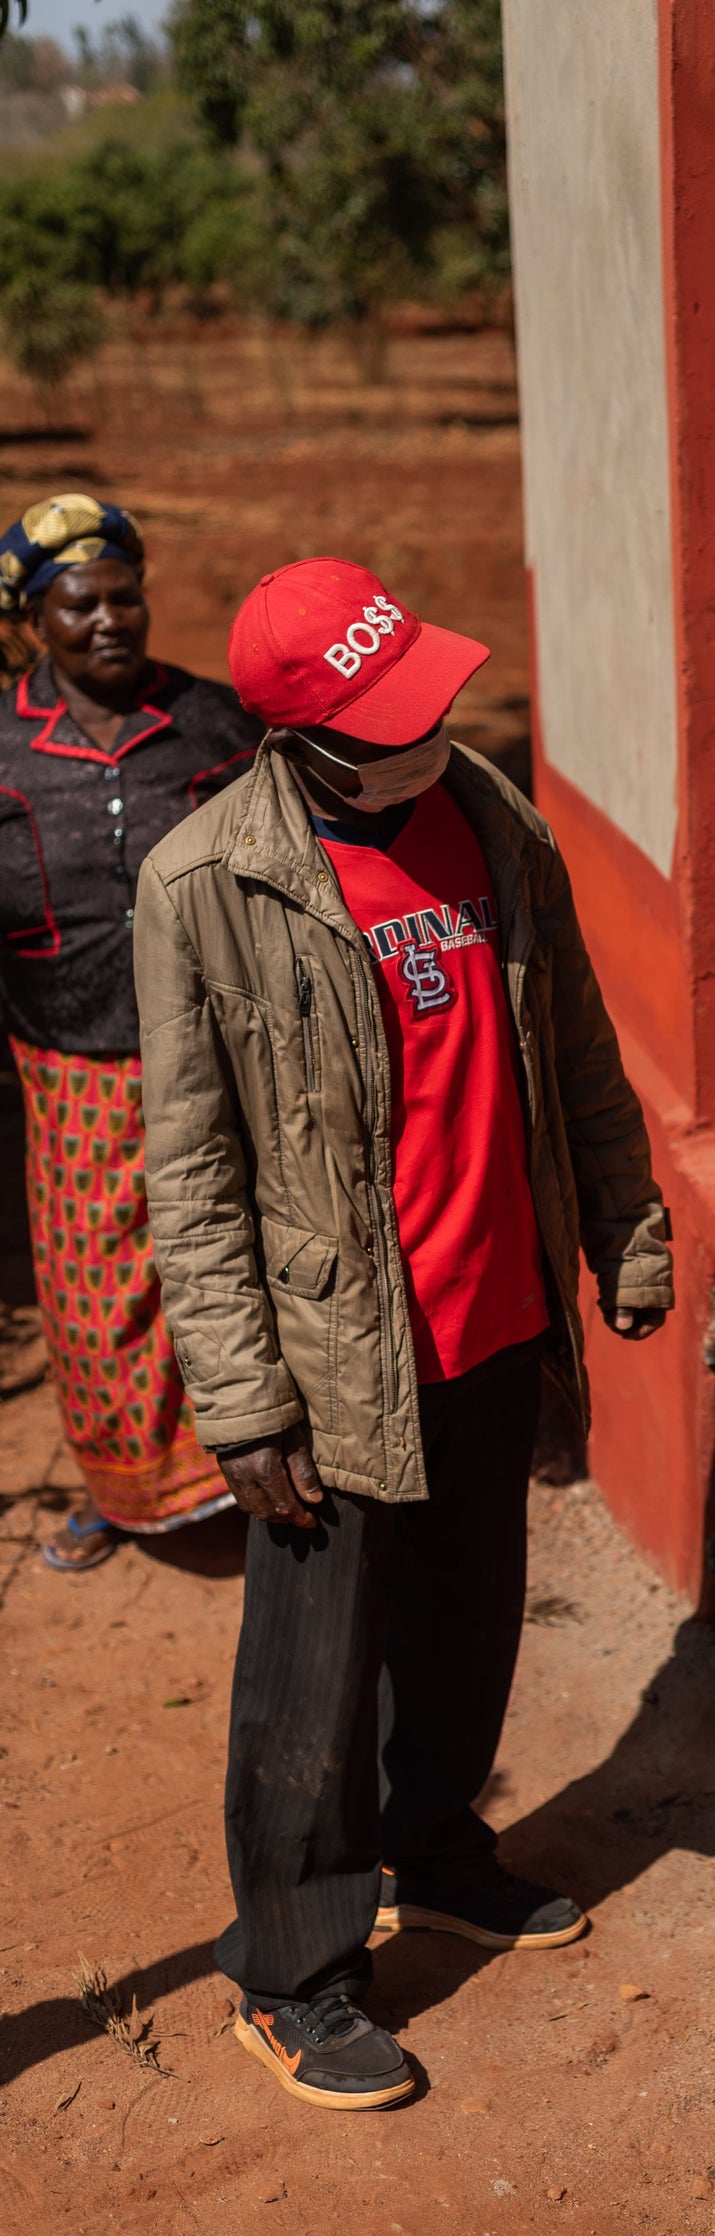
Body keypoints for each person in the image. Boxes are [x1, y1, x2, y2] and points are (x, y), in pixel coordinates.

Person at [133, 556, 673, 2112]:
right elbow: (192, 1166)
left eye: (429, 701)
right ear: (300, 742)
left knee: (466, 1615)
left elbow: (570, 1040)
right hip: (328, 1359)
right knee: (309, 1679)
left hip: (495, 1315)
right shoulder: (205, 884)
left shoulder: (489, 814)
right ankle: (292, 1968)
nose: (430, 732)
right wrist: (241, 1402)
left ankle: (437, 1847)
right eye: (392, 722)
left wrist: (628, 1226)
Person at [0, 493, 260, 1569]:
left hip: (215, 1046)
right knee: (96, 1279)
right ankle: (125, 1485)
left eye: (125, 596)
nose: (110, 619)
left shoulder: (211, 724)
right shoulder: (6, 743)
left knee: (229, 1257)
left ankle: (249, 1465)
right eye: (79, 605)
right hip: (70, 1059)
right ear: (29, 624)